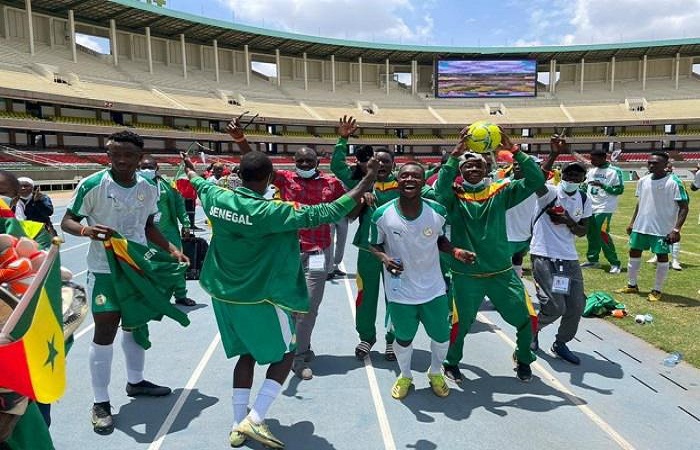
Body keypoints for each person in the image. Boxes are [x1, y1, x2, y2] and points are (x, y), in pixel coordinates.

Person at [180, 149, 378, 449]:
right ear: (268, 178)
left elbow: (198, 183)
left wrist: (190, 169)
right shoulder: (272, 212)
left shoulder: (216, 197)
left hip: (222, 293)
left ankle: (237, 424)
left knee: (246, 355)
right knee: (287, 352)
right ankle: (256, 417)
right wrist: (367, 181)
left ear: (239, 175)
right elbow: (326, 213)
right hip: (259, 297)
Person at [60, 131, 189, 435]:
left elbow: (148, 225)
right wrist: (86, 232)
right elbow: (68, 220)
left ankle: (136, 380)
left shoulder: (147, 188)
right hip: (104, 270)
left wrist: (170, 249)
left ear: (138, 156)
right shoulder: (92, 185)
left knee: (134, 323)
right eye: (114, 154)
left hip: (137, 267)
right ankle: (100, 402)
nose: (120, 160)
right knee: (105, 329)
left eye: (127, 155)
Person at [226, 120, 347, 381]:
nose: (304, 165)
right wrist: (240, 140)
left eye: (309, 161)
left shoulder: (331, 184)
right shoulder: (284, 179)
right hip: (287, 252)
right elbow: (256, 164)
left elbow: (347, 202)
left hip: (318, 252)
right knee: (285, 305)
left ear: (317, 162)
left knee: (308, 307)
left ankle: (299, 356)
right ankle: (295, 347)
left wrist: (366, 194)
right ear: (294, 163)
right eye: (300, 161)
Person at [434, 129, 545, 383]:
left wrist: (515, 150)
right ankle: (451, 362)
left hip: (501, 273)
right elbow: (440, 190)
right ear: (461, 171)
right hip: (466, 275)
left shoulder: (501, 192)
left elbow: (536, 181)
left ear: (487, 169)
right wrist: (454, 156)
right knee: (459, 326)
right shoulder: (454, 197)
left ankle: (524, 358)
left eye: (478, 165)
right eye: (468, 166)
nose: (473, 169)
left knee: (528, 319)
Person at [331, 116, 434, 361]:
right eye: (377, 162)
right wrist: (343, 138)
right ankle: (366, 338)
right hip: (368, 250)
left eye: (387, 162)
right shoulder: (362, 184)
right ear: (370, 165)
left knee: (396, 296)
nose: (382, 165)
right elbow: (337, 167)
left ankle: (393, 339)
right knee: (366, 295)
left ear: (394, 166)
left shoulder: (404, 185)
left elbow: (432, 192)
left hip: (399, 253)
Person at [369, 161, 475, 400]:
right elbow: (373, 244)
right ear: (398, 180)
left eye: (415, 176)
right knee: (404, 338)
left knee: (441, 336)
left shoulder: (437, 211)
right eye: (404, 176)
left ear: (422, 180)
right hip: (399, 290)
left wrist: (456, 252)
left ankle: (435, 372)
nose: (409, 180)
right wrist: (385, 258)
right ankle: (405, 375)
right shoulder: (382, 214)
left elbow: (442, 241)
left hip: (434, 288)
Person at [530, 161, 592, 365]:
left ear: (583, 179)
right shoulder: (549, 193)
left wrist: (568, 221)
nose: (573, 179)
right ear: (561, 175)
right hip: (544, 255)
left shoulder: (584, 198)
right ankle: (531, 332)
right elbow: (535, 178)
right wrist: (554, 153)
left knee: (576, 305)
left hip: (569, 258)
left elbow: (583, 231)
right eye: (569, 174)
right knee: (556, 306)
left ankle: (560, 343)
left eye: (577, 176)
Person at [616, 152, 688, 302]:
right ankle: (632, 285)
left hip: (662, 229)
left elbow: (684, 207)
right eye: (649, 162)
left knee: (662, 256)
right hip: (641, 226)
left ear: (665, 165)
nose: (651, 165)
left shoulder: (674, 182)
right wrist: (632, 222)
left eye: (655, 163)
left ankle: (657, 290)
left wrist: (676, 230)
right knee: (633, 252)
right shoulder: (643, 181)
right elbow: (640, 202)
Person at [138, 154, 196, 307]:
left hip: (169, 233)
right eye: (143, 167)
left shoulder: (168, 185)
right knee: (149, 265)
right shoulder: (133, 186)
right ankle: (153, 297)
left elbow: (179, 204)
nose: (146, 170)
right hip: (144, 235)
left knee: (177, 263)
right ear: (138, 168)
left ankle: (181, 295)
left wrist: (186, 224)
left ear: (157, 168)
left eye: (150, 167)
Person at [580, 149, 624, 273]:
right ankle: (593, 260)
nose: (591, 161)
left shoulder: (615, 171)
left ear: (604, 157)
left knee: (602, 233)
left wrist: (603, 186)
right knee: (591, 234)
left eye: (594, 159)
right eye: (591, 159)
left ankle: (615, 263)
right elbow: (585, 186)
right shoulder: (592, 171)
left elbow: (619, 190)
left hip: (604, 207)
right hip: (590, 207)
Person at [506, 156, 541, 278]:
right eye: (515, 164)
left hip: (526, 231)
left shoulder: (539, 186)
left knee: (519, 256)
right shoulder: (504, 184)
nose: (517, 166)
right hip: (507, 233)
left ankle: (518, 275)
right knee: (502, 263)